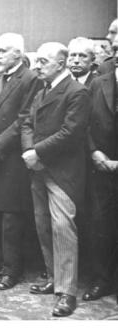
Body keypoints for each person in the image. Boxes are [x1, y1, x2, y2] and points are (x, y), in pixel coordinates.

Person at [21, 42, 90, 317]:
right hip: (39, 168)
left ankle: (67, 292)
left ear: (60, 64)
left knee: (63, 231)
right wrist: (30, 151)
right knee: (43, 227)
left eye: (43, 61)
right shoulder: (42, 90)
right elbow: (26, 121)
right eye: (37, 60)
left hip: (63, 173)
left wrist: (36, 152)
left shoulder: (77, 91)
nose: (37, 65)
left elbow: (71, 132)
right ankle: (53, 278)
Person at [0, 33, 43, 290]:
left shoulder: (30, 79)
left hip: (12, 158)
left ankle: (12, 270)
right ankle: (3, 262)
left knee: (11, 217)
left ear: (18, 53)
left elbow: (25, 118)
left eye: (3, 51)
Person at [82, 36, 118, 302]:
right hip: (101, 167)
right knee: (101, 226)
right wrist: (94, 151)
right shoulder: (99, 83)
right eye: (114, 49)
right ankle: (102, 280)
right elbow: (86, 124)